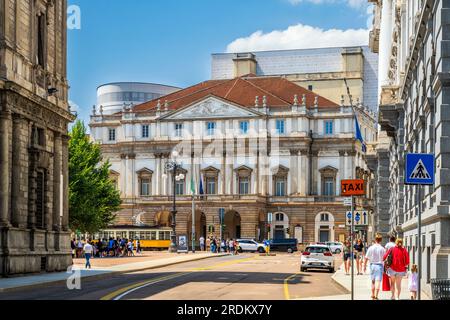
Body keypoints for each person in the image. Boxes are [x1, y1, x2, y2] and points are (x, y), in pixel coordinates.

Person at [364, 234, 386, 300]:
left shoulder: (371, 248)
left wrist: (364, 266)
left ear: (375, 240)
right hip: (379, 266)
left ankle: (372, 294)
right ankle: (376, 295)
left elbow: (366, 258)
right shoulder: (382, 249)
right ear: (381, 240)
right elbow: (384, 259)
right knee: (378, 281)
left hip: (372, 265)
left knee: (373, 281)